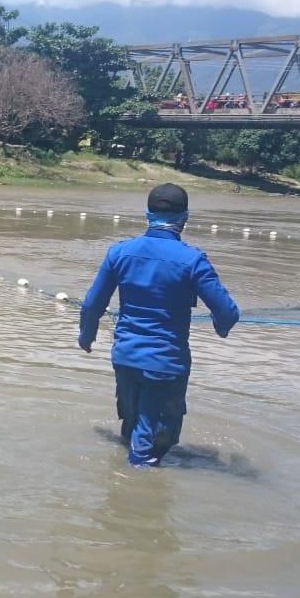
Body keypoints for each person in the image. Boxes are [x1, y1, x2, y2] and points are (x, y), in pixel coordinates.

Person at [79, 183, 240, 467]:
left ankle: (121, 491)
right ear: (185, 217)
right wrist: (221, 326)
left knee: (132, 427)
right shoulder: (193, 260)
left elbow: (92, 304)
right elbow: (227, 313)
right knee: (152, 442)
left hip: (125, 358)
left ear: (147, 214)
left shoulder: (119, 253)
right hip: (165, 364)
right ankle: (137, 493)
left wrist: (86, 336)